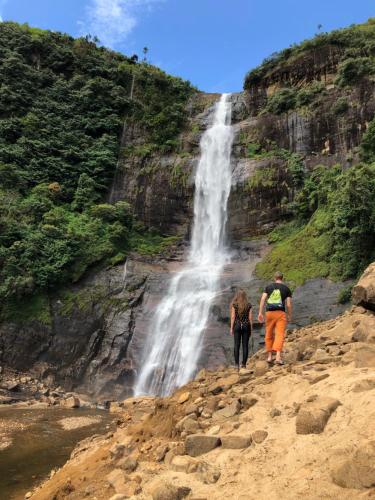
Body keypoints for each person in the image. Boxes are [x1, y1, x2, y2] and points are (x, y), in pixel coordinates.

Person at [258, 271, 292, 365]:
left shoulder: (268, 287)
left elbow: (263, 299)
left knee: (268, 333)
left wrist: (260, 312)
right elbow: (288, 304)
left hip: (269, 313)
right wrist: (289, 315)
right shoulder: (286, 289)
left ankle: (269, 357)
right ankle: (277, 357)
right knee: (279, 334)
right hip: (280, 313)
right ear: (282, 278)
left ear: (274, 278)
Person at [230, 289, 253, 370]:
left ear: (237, 296)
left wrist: (231, 328)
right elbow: (250, 318)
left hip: (237, 325)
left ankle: (236, 365)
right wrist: (251, 328)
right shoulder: (249, 305)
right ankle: (243, 364)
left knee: (236, 345)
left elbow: (233, 317)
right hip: (246, 325)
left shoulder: (234, 305)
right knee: (245, 345)